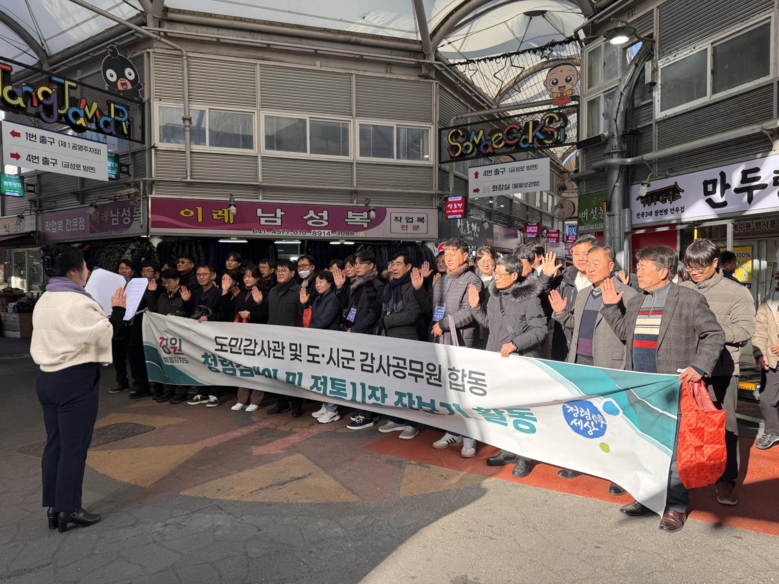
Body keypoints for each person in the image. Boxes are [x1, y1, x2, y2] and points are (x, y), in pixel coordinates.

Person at [600, 246, 725, 533]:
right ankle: (647, 497)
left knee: (675, 450)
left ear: (663, 272)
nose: (638, 273)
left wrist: (699, 365)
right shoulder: (636, 301)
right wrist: (610, 307)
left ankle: (676, 506)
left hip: (673, 388)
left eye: (644, 268)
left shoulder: (689, 299)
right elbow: (626, 335)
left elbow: (714, 334)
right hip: (641, 388)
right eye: (638, 267)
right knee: (645, 445)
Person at [31, 245, 127, 533]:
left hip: (47, 379)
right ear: (73, 272)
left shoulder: (46, 298)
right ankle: (69, 509)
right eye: (85, 267)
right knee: (74, 449)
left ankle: (54, 507)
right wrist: (119, 310)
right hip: (74, 380)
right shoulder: (76, 302)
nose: (87, 272)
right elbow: (103, 334)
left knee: (56, 445)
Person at [549, 245, 638, 495]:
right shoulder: (584, 293)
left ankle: (619, 472)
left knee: (615, 420)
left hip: (610, 366)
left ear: (611, 266)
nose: (589, 267)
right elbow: (576, 326)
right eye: (587, 263)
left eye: (596, 263)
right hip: (580, 364)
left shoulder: (628, 294)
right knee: (583, 416)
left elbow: (629, 334)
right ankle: (581, 461)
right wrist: (560, 314)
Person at [680, 239, 756, 505]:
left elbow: (745, 330)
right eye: (690, 267)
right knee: (688, 424)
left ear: (715, 262)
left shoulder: (737, 292)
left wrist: (711, 333)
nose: (694, 272)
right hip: (686, 368)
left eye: (700, 267)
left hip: (722, 369)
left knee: (725, 428)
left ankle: (725, 480)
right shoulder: (682, 289)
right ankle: (689, 472)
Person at [468, 252, 547, 476]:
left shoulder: (530, 298)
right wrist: (475, 307)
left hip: (520, 362)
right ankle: (508, 450)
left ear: (514, 275)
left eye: (501, 274)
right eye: (496, 274)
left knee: (522, 412)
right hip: (497, 362)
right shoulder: (495, 295)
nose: (496, 278)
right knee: (503, 410)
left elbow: (541, 330)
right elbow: (489, 324)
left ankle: (524, 456)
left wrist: (515, 344)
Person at [413, 238, 483, 457]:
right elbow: (429, 309)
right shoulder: (440, 281)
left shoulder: (472, 280)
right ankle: (453, 431)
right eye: (446, 254)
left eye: (454, 253)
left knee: (464, 391)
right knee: (448, 391)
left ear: (465, 256)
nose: (449, 258)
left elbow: (469, 313)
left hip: (461, 342)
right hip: (439, 341)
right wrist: (419, 289)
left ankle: (470, 437)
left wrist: (442, 325)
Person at [377, 251, 423, 440]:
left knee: (409, 385)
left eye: (398, 264)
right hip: (390, 340)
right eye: (392, 263)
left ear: (408, 267)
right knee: (394, 383)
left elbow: (411, 315)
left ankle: (412, 424)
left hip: (407, 340)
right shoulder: (389, 287)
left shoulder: (413, 286)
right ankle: (397, 419)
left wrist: (386, 321)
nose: (394, 268)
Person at [340, 250, 386, 430]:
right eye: (356, 263)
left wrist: (355, 329)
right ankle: (368, 412)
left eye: (361, 263)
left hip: (366, 336)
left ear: (371, 265)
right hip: (354, 334)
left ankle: (366, 416)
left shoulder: (376, 285)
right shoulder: (357, 284)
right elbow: (349, 308)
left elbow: (374, 314)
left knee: (364, 377)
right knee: (357, 376)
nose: (357, 266)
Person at [542, 234, 597, 361]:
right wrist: (545, 277)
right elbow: (542, 301)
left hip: (592, 354)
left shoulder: (604, 282)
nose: (581, 258)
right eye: (576, 254)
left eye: (585, 253)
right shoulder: (563, 281)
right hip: (564, 349)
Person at [223, 266, 268, 412]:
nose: (247, 279)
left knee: (257, 369)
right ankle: (241, 399)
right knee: (242, 368)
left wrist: (253, 311)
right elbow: (229, 312)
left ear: (258, 278)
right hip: (241, 336)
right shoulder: (241, 293)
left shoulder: (264, 293)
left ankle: (256, 400)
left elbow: (266, 316)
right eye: (245, 276)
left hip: (257, 336)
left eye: (250, 276)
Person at [303, 270, 344, 424]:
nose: (318, 285)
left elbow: (323, 321)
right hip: (319, 341)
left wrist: (306, 331)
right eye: (316, 282)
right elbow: (311, 317)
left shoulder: (333, 299)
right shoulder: (319, 298)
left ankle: (332, 410)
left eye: (321, 282)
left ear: (330, 283)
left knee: (329, 376)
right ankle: (325, 405)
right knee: (321, 376)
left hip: (330, 342)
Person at [266, 260, 304, 416]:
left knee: (293, 374)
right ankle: (281, 403)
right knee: (276, 373)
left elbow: (304, 316)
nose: (280, 273)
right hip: (274, 339)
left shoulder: (299, 291)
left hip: (292, 340)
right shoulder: (272, 291)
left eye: (284, 270)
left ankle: (296, 406)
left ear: (292, 273)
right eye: (278, 270)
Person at [145, 269, 189, 403]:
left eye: (169, 282)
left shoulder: (184, 294)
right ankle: (169, 390)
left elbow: (190, 313)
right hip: (164, 335)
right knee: (168, 363)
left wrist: (177, 314)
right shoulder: (162, 296)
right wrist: (151, 293)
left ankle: (181, 391)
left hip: (180, 335)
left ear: (177, 280)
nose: (167, 285)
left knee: (181, 364)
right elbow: (154, 310)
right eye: (164, 283)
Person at [185, 265, 225, 408]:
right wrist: (186, 301)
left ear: (213, 276)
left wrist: (210, 318)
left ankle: (215, 394)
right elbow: (189, 313)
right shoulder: (195, 293)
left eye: (204, 274)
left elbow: (225, 314)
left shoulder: (219, 293)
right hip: (198, 334)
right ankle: (202, 392)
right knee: (199, 362)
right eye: (198, 274)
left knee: (214, 363)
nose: (201, 277)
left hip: (214, 334)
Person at [127, 261, 161, 400]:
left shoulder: (160, 287)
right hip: (137, 325)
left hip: (153, 328)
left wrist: (150, 293)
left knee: (153, 356)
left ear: (156, 274)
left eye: (148, 271)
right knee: (135, 355)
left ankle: (158, 386)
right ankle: (140, 385)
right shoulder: (135, 286)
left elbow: (155, 307)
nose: (145, 273)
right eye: (143, 271)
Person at [753, 272, 779, 450]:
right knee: (766, 399)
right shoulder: (768, 301)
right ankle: (772, 431)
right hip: (773, 360)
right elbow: (760, 330)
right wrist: (760, 353)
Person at [108, 260, 135, 394]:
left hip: (131, 325)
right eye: (120, 268)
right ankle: (121, 381)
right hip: (116, 323)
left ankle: (138, 383)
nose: (123, 270)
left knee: (133, 356)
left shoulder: (137, 285)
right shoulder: (113, 285)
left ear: (133, 271)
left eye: (126, 268)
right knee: (117, 356)